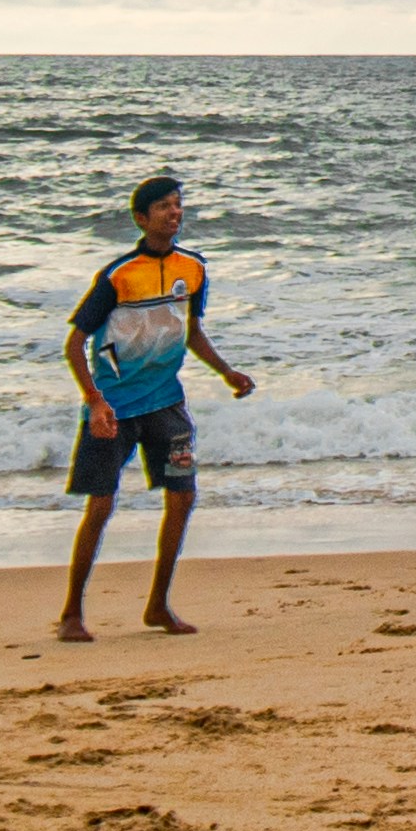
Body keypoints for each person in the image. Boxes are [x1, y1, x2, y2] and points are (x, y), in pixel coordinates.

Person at [57, 172, 256, 641]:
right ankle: (71, 613)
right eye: (164, 206)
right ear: (142, 219)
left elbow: (190, 332)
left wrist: (226, 372)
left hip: (166, 403)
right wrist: (96, 401)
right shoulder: (117, 275)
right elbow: (74, 344)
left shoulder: (195, 268)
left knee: (182, 498)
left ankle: (158, 606)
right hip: (115, 409)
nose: (175, 212)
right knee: (101, 507)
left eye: (178, 204)